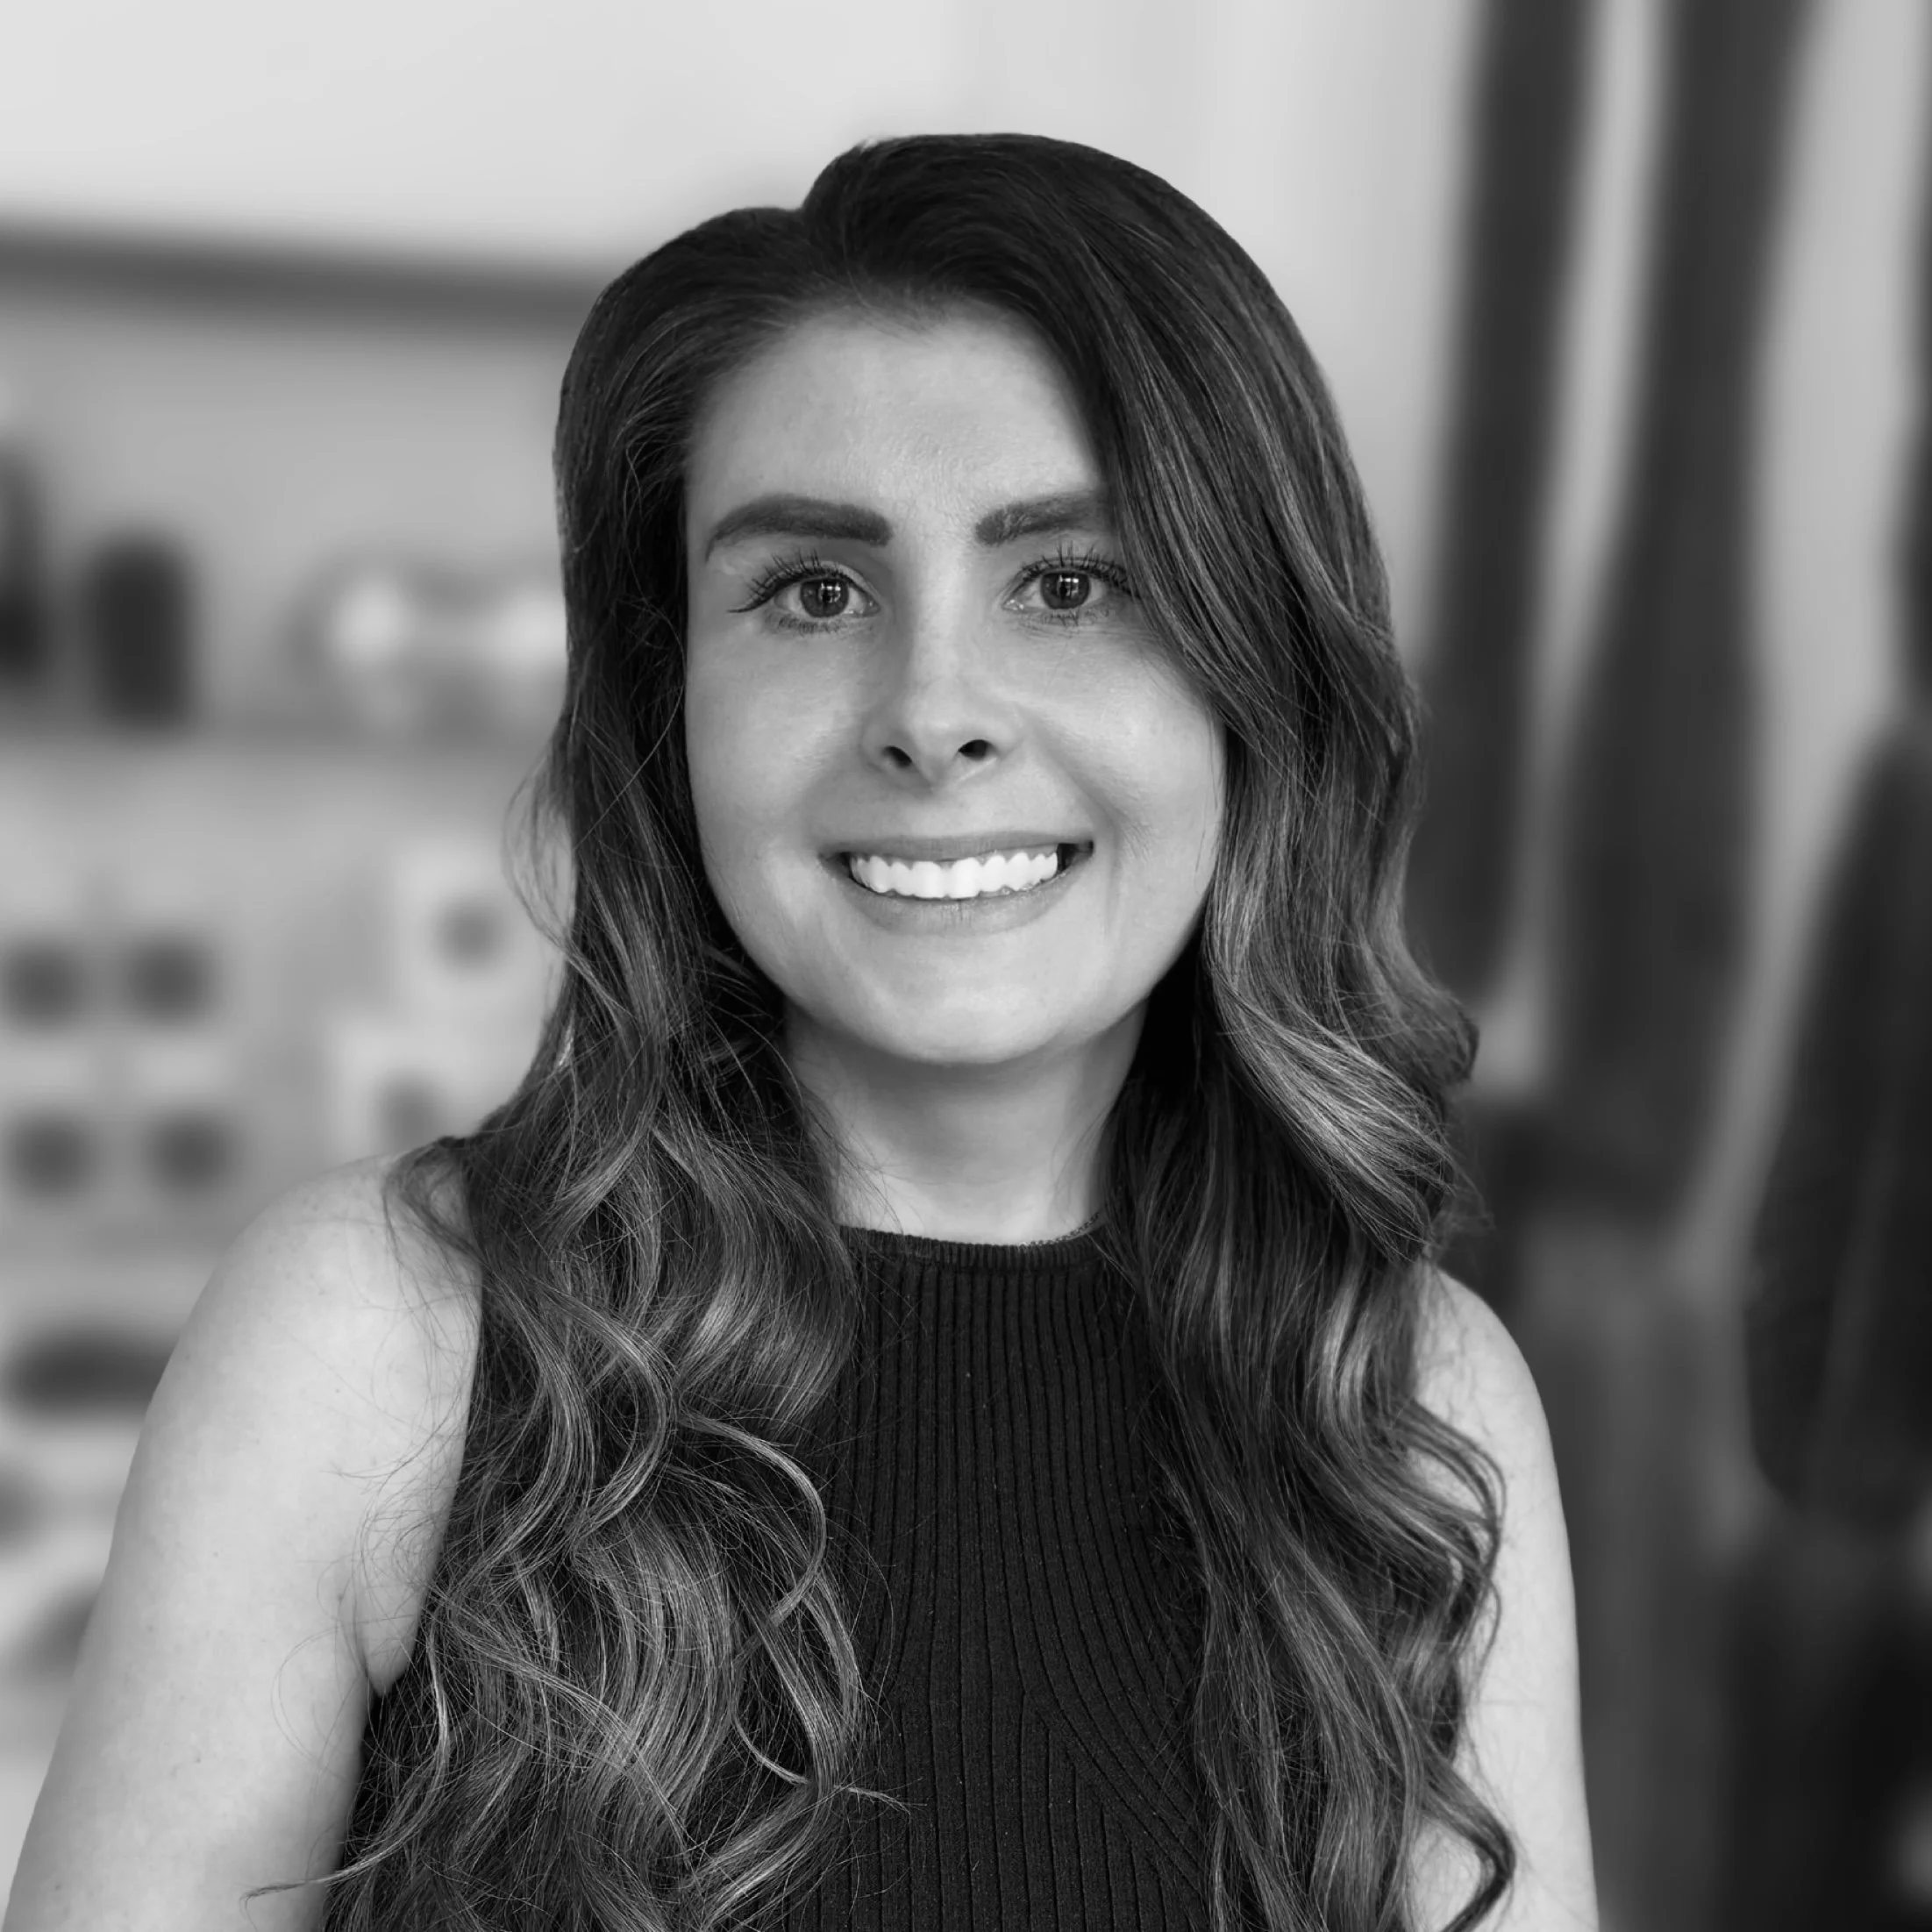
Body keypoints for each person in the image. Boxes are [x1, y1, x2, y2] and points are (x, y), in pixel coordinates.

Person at [4, 132, 1599, 1932]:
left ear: (1257, 682)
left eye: (1070, 583)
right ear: (669, 703)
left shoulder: (1405, 1403)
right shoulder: (379, 1345)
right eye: (812, 592)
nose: (931, 711)